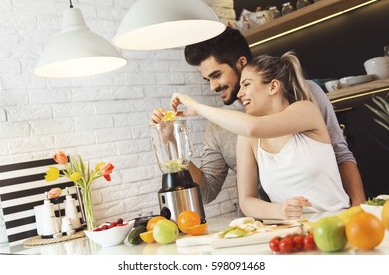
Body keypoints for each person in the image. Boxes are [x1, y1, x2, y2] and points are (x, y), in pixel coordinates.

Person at [150, 27, 365, 207]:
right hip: (274, 227)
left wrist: (359, 209)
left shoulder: (303, 94)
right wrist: (172, 142)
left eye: (216, 75)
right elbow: (206, 192)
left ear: (241, 63)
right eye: (208, 79)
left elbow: (340, 152)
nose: (213, 86)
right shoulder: (218, 128)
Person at [170, 52, 350, 219]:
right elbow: (246, 201)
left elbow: (253, 127)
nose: (240, 94)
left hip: (338, 223)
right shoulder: (247, 139)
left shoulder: (305, 110)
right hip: (291, 233)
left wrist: (198, 108)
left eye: (246, 84)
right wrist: (280, 210)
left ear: (273, 86)